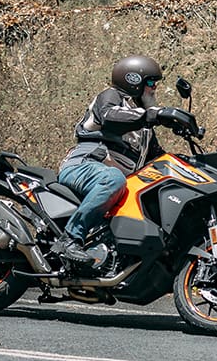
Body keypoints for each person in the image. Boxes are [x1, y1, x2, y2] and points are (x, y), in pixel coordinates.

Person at [55, 55, 166, 263]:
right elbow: (109, 116)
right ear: (133, 81)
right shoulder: (111, 96)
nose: (155, 88)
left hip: (113, 182)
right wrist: (149, 116)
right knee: (113, 179)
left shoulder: (145, 131)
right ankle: (69, 239)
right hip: (84, 165)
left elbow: (160, 158)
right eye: (151, 82)